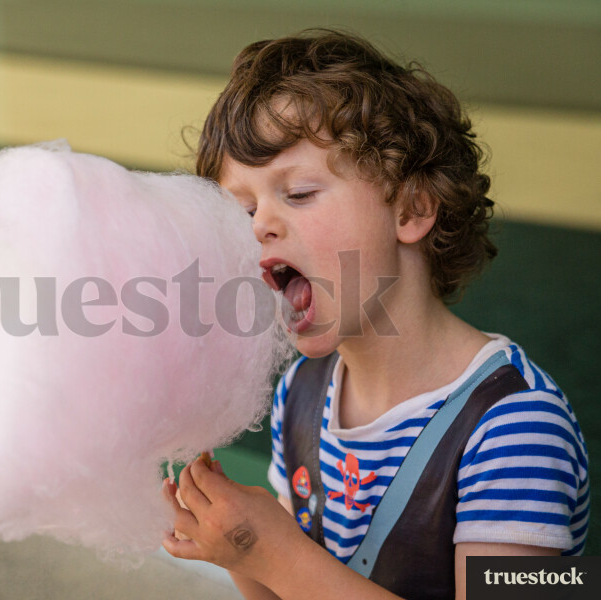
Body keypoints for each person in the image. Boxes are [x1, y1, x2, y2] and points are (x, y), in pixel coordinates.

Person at [160, 29, 589, 600]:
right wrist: (234, 546)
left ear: (411, 209)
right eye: (242, 209)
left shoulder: (518, 424)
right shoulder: (300, 394)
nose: (258, 225)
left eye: (299, 192)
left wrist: (270, 550)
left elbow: (289, 567)